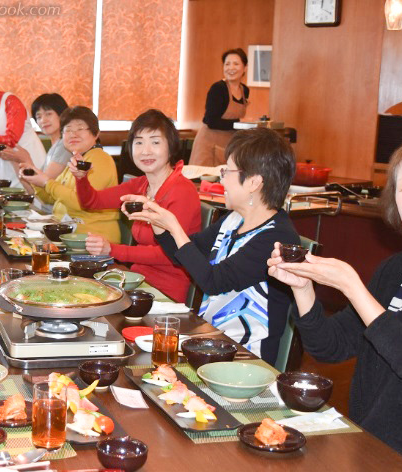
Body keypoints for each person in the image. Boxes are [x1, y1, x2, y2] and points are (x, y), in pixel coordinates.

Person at [266, 141, 402, 458]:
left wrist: (353, 288)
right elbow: (331, 347)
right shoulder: (395, 270)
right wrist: (303, 289)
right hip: (369, 444)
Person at [124, 128, 299, 364]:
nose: (222, 178)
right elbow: (184, 255)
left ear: (254, 182)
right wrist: (157, 223)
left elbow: (214, 282)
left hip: (244, 357)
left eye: (227, 171)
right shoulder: (234, 219)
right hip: (209, 342)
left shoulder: (276, 237)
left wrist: (174, 227)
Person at [73, 109, 201, 302]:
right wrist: (81, 178)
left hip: (166, 291)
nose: (145, 151)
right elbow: (92, 201)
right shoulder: (140, 184)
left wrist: (112, 250)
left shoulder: (183, 190)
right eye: (139, 142)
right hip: (135, 281)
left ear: (171, 147)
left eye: (155, 142)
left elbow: (169, 254)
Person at [21, 106, 120, 243]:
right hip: (71, 236)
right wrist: (35, 180)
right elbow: (49, 198)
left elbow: (81, 202)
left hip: (94, 240)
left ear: (96, 133)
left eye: (80, 129)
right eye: (68, 130)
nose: (73, 134)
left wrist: (47, 182)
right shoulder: (76, 161)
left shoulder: (99, 159)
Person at [189, 48, 250, 167]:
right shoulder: (218, 89)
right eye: (227, 64)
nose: (231, 68)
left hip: (227, 145)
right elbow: (210, 121)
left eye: (236, 64)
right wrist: (239, 124)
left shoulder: (245, 90)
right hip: (208, 145)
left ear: (245, 68)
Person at [16, 93, 72, 213]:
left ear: (62, 114)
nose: (43, 120)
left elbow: (44, 185)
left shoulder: (64, 145)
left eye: (48, 114)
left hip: (56, 215)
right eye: (39, 116)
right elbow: (33, 190)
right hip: (46, 210)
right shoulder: (55, 146)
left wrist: (26, 160)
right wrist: (17, 162)